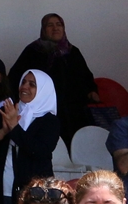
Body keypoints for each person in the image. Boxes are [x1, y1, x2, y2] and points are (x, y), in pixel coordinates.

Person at [9, 14, 99, 143]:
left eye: (59, 24)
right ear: (43, 29)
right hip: (42, 110)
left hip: (73, 109)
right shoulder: (33, 51)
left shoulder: (73, 52)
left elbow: (86, 75)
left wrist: (92, 90)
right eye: (50, 25)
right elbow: (15, 77)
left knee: (76, 143)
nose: (55, 28)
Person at [0, 70, 59, 204]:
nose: (25, 87)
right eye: (23, 82)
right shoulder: (7, 111)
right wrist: (3, 132)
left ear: (42, 90)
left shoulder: (50, 121)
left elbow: (39, 151)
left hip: (34, 194)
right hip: (0, 188)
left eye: (32, 84)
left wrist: (14, 127)